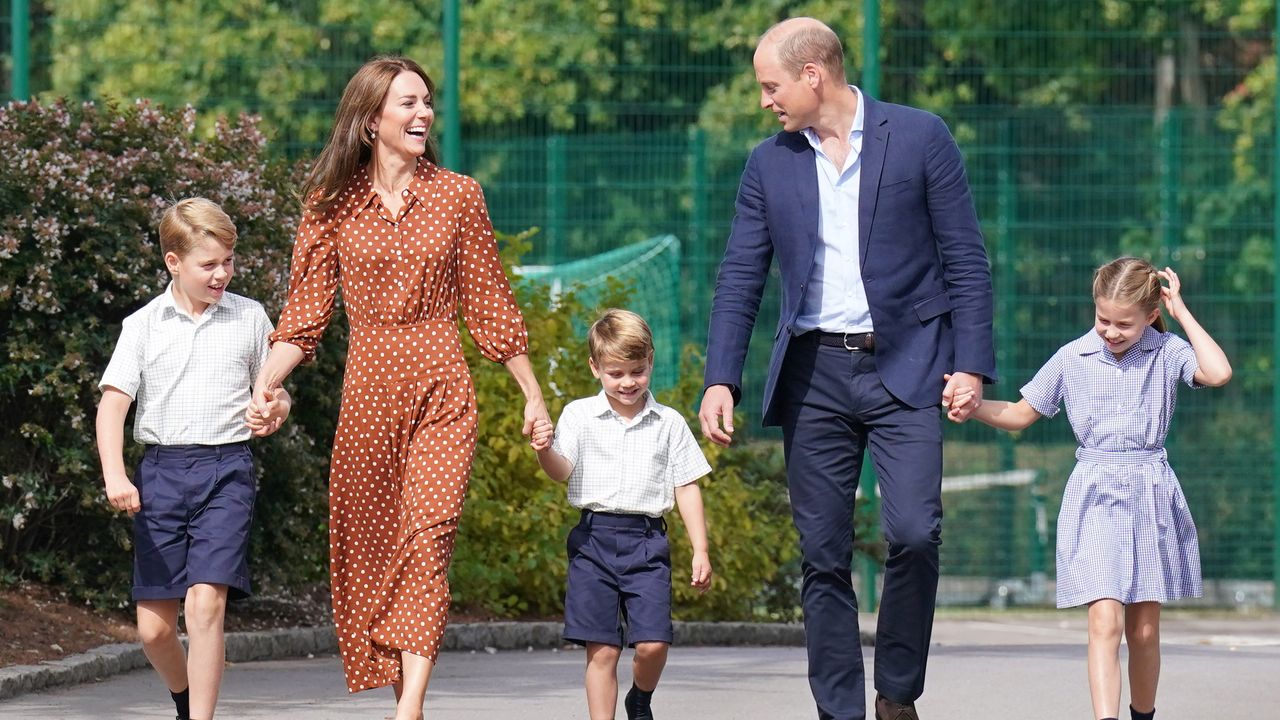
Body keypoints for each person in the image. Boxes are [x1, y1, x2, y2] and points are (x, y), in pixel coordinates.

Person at [698, 16, 996, 720]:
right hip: (814, 376)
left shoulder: (921, 137)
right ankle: (840, 711)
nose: (764, 100)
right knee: (823, 555)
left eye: (770, 85)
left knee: (916, 533)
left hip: (909, 366)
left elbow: (966, 260)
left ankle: (896, 692)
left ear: (813, 75)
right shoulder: (769, 162)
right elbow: (741, 274)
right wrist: (721, 377)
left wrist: (971, 366)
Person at [249, 56, 551, 719]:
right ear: (369, 120)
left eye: (427, 103)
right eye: (407, 104)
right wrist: (266, 387)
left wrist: (532, 392)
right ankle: (403, 693)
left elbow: (489, 303)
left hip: (443, 383)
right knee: (378, 545)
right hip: (368, 390)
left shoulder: (459, 194)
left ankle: (409, 707)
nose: (423, 115)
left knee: (430, 537)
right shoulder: (331, 204)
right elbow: (305, 315)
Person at [949, 257, 1231, 720]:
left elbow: (1218, 373)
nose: (1112, 332)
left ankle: (1143, 714)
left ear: (1150, 316)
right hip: (1095, 495)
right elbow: (1021, 415)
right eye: (1104, 320)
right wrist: (974, 405)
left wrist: (1180, 311)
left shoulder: (1169, 351)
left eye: (1125, 323)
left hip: (1150, 491)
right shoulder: (1071, 357)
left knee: (1142, 630)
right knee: (1104, 619)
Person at [96, 197, 292, 720]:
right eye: (209, 264)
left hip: (228, 471)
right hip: (160, 474)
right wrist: (115, 473)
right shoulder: (142, 325)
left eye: (228, 261)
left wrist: (275, 408)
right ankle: (186, 701)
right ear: (173, 263)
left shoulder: (249, 316)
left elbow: (274, 392)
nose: (222, 273)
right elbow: (113, 404)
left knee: (206, 602)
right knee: (154, 630)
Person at [533, 309, 713, 720]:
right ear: (595, 368)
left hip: (647, 543)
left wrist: (700, 549)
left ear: (650, 361)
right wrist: (544, 450)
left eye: (637, 370)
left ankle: (640, 699)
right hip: (593, 541)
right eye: (616, 373)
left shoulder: (669, 423)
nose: (628, 382)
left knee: (653, 645)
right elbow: (561, 470)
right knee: (603, 649)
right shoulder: (579, 415)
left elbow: (686, 485)